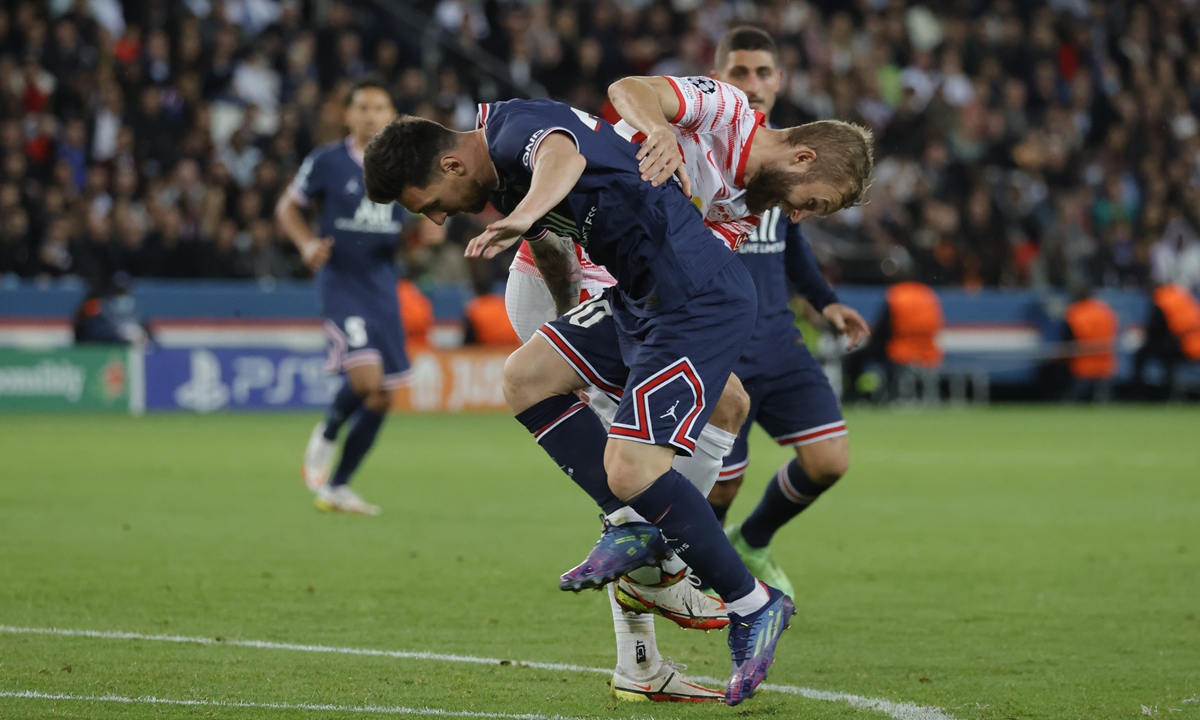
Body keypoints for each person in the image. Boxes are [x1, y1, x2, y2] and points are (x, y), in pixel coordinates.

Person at [362, 95, 869, 703]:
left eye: (430, 207)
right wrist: (567, 300)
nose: (438, 222)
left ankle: (752, 603)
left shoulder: (512, 132)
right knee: (525, 378)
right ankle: (641, 535)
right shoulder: (501, 169)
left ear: (448, 166)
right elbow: (553, 234)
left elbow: (562, 154)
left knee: (633, 468)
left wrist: (526, 212)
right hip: (637, 299)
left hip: (691, 298)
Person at [694, 28, 871, 602]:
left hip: (779, 338)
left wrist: (826, 302)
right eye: (739, 72)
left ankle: (753, 541)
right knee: (720, 485)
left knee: (829, 460)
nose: (753, 84)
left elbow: (790, 243)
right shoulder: (704, 154)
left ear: (780, 80)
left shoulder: (790, 158)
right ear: (716, 78)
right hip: (723, 350)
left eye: (763, 72)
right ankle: (694, 579)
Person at [276, 77, 408, 515]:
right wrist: (306, 244)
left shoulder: (404, 164)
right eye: (363, 107)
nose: (371, 115)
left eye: (379, 107)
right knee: (366, 382)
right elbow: (286, 207)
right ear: (348, 115)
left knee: (383, 396)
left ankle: (337, 486)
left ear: (392, 115)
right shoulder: (328, 161)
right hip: (342, 284)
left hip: (383, 287)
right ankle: (329, 431)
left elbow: (420, 218)